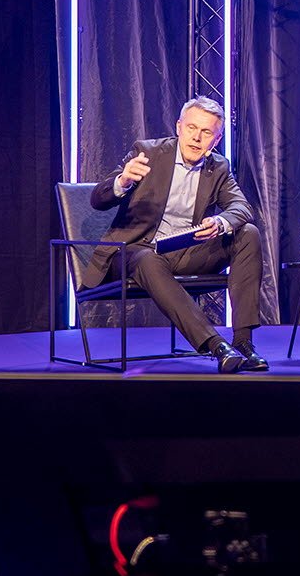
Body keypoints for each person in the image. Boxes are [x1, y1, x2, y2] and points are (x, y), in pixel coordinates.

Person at [84, 96, 267, 372]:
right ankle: (217, 345)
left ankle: (243, 343)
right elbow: (97, 200)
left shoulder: (218, 167)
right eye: (191, 128)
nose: (196, 138)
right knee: (146, 258)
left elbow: (241, 207)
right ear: (179, 127)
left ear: (216, 140)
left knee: (248, 233)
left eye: (206, 132)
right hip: (136, 252)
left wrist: (220, 221)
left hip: (184, 252)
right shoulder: (148, 152)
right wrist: (123, 181)